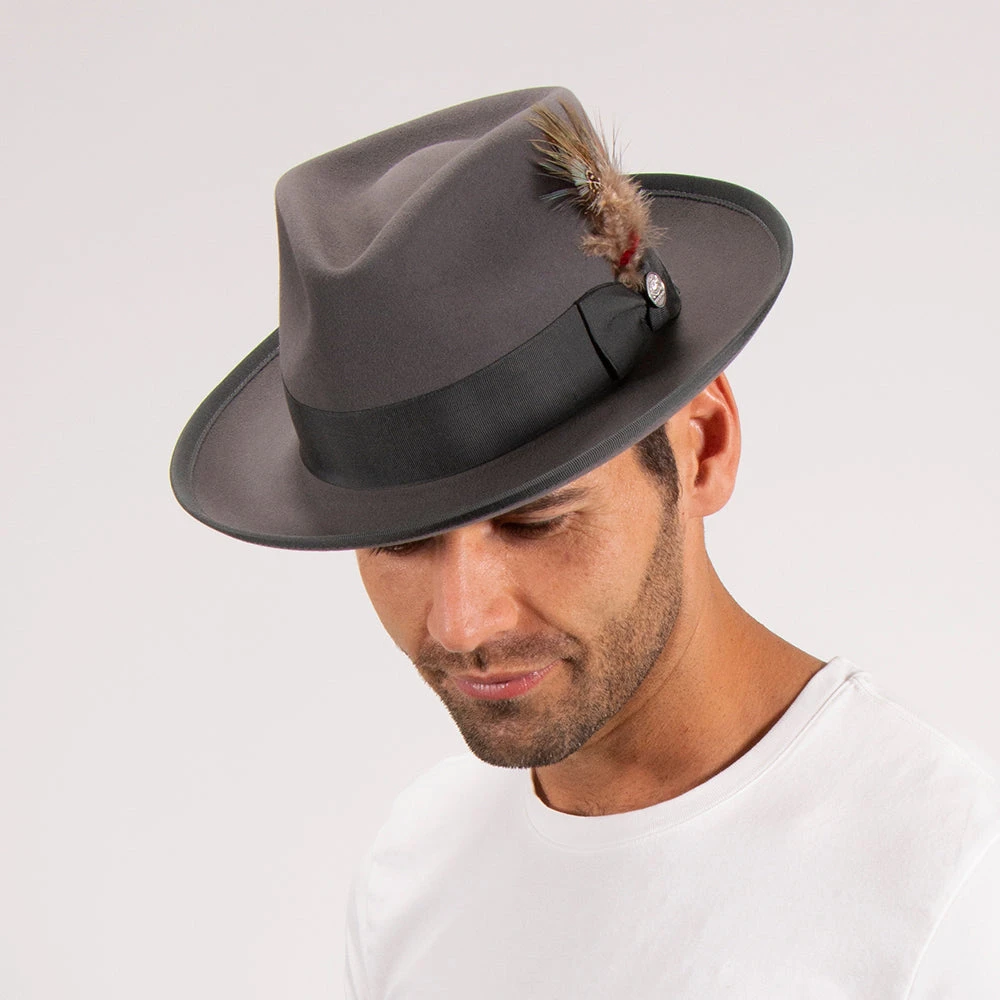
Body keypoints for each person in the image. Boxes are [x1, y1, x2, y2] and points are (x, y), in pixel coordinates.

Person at [171, 87, 1000, 997]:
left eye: (535, 520)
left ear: (703, 447)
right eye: (400, 544)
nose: (462, 622)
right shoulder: (416, 870)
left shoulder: (945, 878)